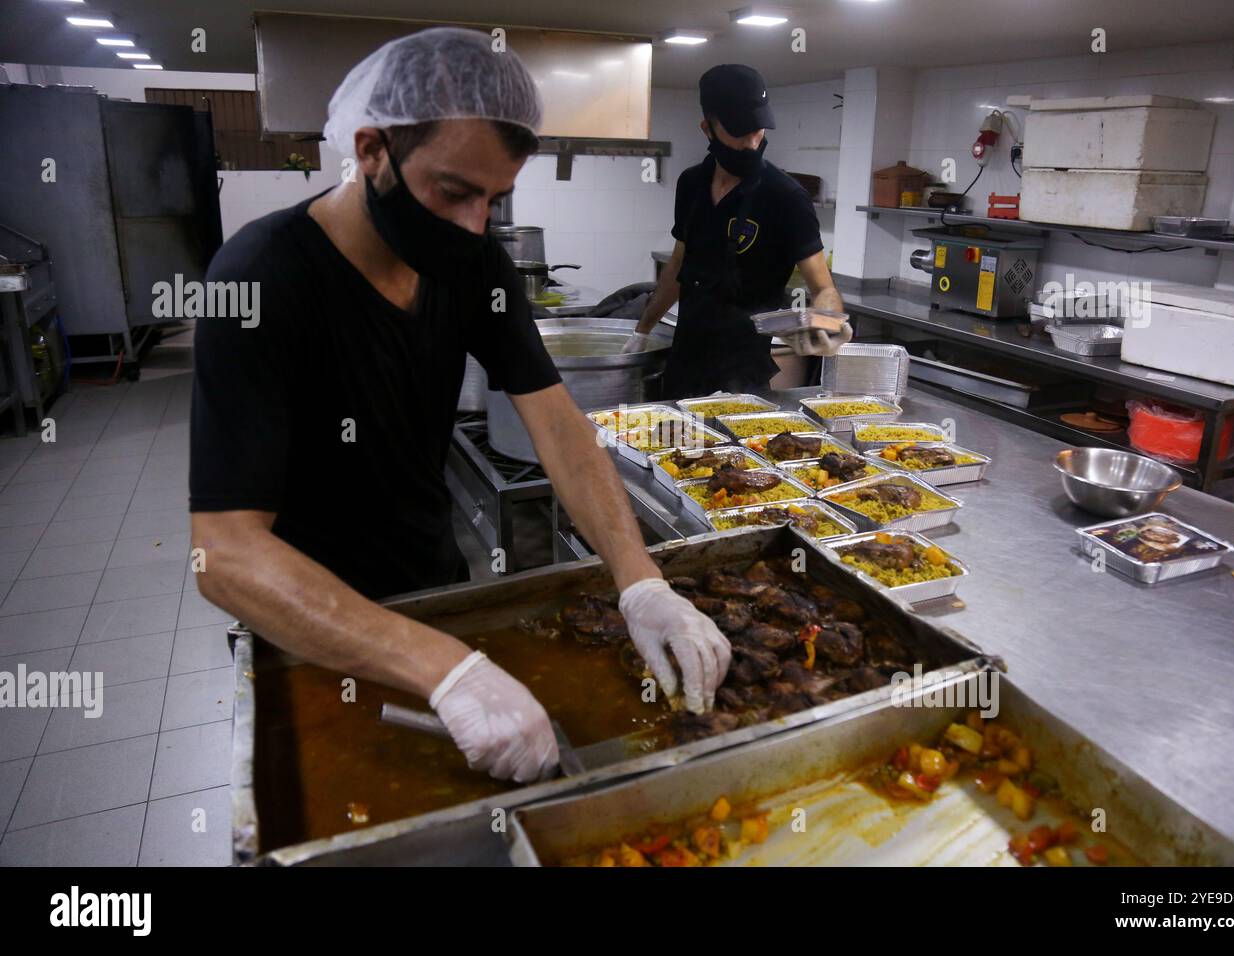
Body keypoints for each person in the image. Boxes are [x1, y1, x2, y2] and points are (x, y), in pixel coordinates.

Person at [188, 28, 729, 784]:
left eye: (496, 198)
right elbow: (224, 553)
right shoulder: (259, 279)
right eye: (453, 191)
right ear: (372, 150)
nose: (476, 224)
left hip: (436, 593)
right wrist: (442, 668)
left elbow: (561, 428)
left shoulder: (471, 263)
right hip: (309, 627)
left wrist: (641, 581)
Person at [623, 64, 850, 397]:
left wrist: (830, 324)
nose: (751, 142)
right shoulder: (692, 184)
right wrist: (642, 330)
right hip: (685, 361)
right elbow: (677, 267)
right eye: (739, 130)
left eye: (757, 129)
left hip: (742, 376)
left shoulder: (784, 195)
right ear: (707, 127)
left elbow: (823, 286)